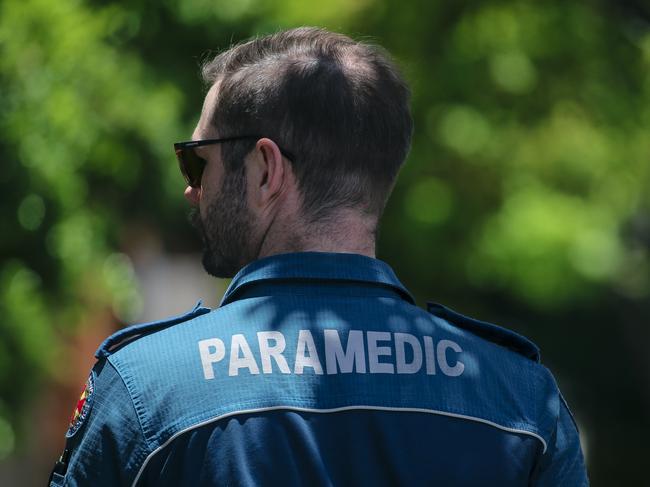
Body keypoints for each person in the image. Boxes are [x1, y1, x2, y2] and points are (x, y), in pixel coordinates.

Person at [50, 27, 589, 486]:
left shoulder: (148, 389)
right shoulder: (519, 400)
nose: (191, 190)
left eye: (197, 164)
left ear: (266, 171)